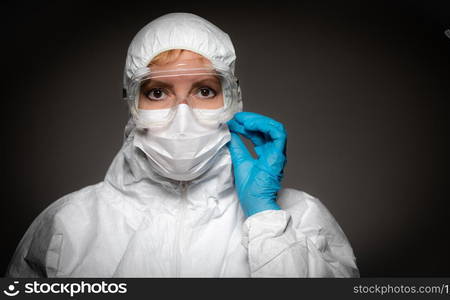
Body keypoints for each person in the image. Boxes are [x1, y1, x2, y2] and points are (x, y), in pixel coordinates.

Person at [6, 12, 359, 277]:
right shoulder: (69, 224)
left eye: (205, 91)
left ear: (233, 98)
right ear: (131, 101)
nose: (182, 115)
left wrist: (266, 219)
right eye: (157, 92)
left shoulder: (300, 217)